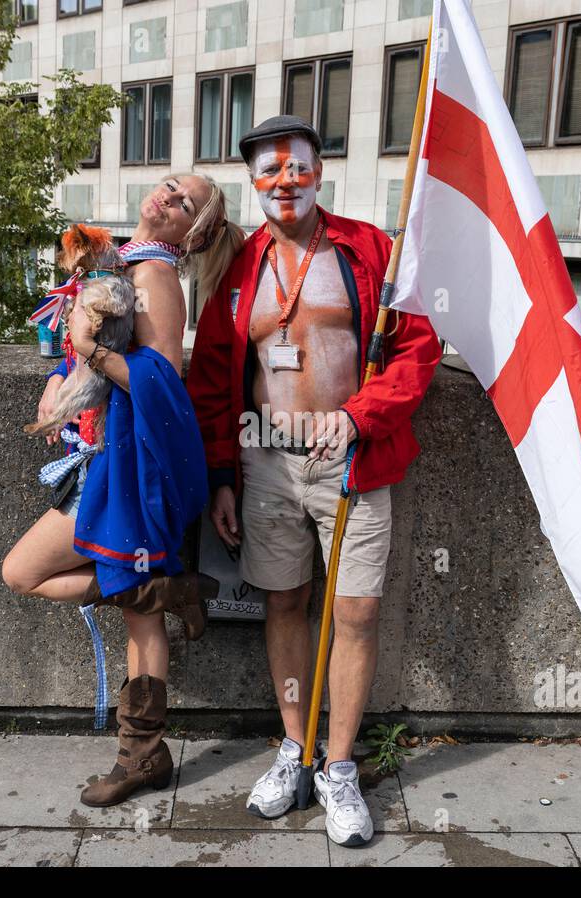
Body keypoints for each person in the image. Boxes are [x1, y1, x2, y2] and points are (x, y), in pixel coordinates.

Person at [186, 117, 441, 846]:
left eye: (295, 168)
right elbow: (210, 378)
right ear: (253, 183)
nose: (283, 183)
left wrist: (362, 415)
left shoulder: (370, 250)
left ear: (319, 170)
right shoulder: (237, 268)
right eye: (268, 172)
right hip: (264, 460)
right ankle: (295, 750)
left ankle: (339, 766)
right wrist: (222, 476)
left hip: (355, 458)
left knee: (356, 612)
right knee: (285, 603)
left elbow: (419, 348)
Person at [3, 172, 245, 807]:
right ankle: (169, 588)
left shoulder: (158, 280)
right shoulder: (124, 262)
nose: (167, 197)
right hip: (102, 461)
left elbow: (160, 382)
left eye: (183, 202)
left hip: (132, 470)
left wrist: (89, 352)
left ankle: (141, 755)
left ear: (195, 232)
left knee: (30, 575)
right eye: (169, 186)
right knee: (64, 584)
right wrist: (62, 378)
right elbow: (99, 358)